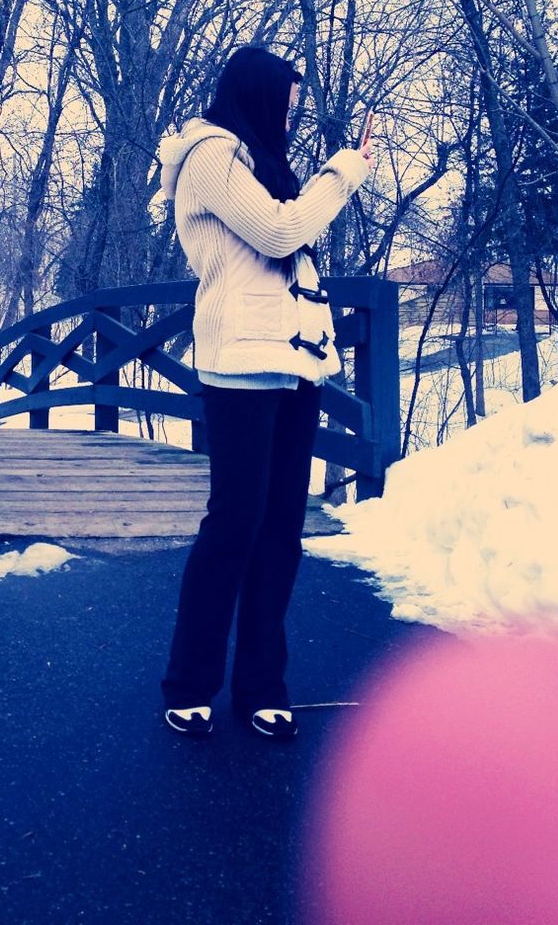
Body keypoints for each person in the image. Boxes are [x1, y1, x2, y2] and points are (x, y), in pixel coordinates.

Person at [156, 45, 374, 740]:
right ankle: (190, 684)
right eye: (287, 100)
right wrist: (345, 171)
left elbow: (286, 236)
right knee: (235, 523)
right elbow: (280, 231)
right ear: (255, 93)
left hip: (295, 370)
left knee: (282, 529)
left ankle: (262, 687)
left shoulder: (260, 166)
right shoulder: (211, 156)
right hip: (241, 368)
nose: (292, 113)